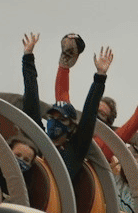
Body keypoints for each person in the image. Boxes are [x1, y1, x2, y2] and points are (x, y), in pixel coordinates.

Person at [20, 32, 111, 182]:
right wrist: (28, 57)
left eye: (61, 118)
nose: (55, 121)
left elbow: (89, 113)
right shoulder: (39, 139)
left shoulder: (76, 150)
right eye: (52, 116)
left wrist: (100, 77)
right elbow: (31, 99)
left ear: (71, 127)